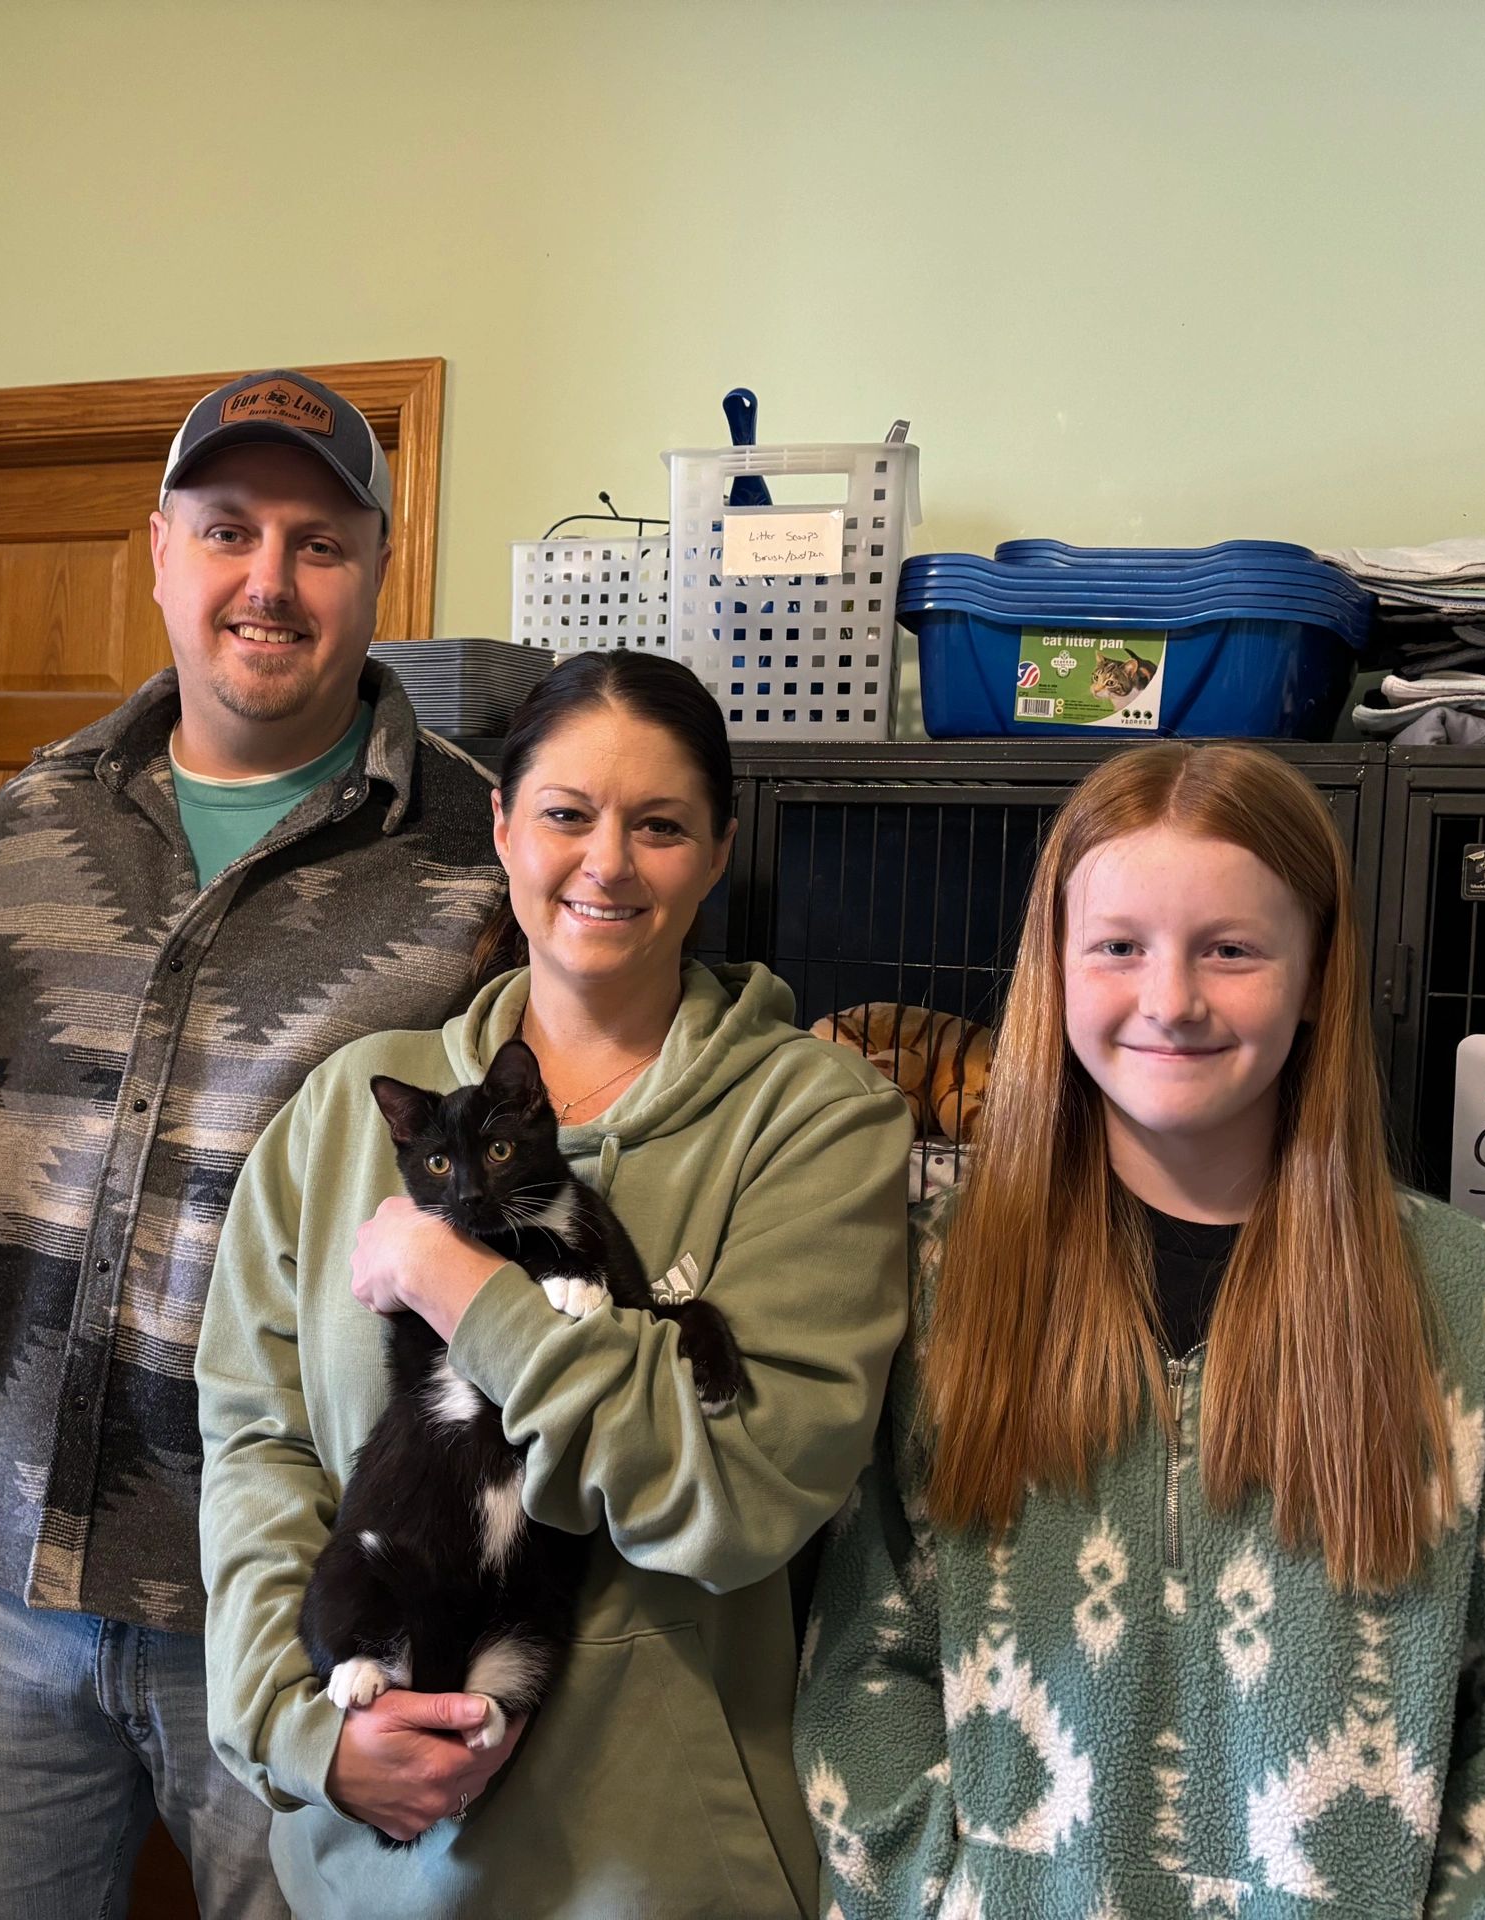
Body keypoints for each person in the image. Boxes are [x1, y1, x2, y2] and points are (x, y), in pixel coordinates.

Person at [797, 743, 1485, 1917]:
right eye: (1117, 946)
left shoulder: (1477, 1308)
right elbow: (864, 1669)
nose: (1169, 999)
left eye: (1230, 949)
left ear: (1314, 977)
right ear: (1054, 967)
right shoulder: (934, 1281)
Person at [0, 368, 505, 1918]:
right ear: (155, 552)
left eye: (318, 542)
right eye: (228, 531)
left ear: (376, 570)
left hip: (305, 1594)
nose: (269, 581)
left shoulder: (486, 848)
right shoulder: (38, 818)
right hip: (9, 1567)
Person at [198, 649, 914, 1918]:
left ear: (719, 849)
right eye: (567, 815)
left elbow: (745, 1491)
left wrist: (462, 1289)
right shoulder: (345, 1109)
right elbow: (259, 1448)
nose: (607, 862)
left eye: (660, 825)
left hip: (663, 1871)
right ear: (501, 827)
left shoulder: (815, 1121)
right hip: (372, 1874)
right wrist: (305, 1731)